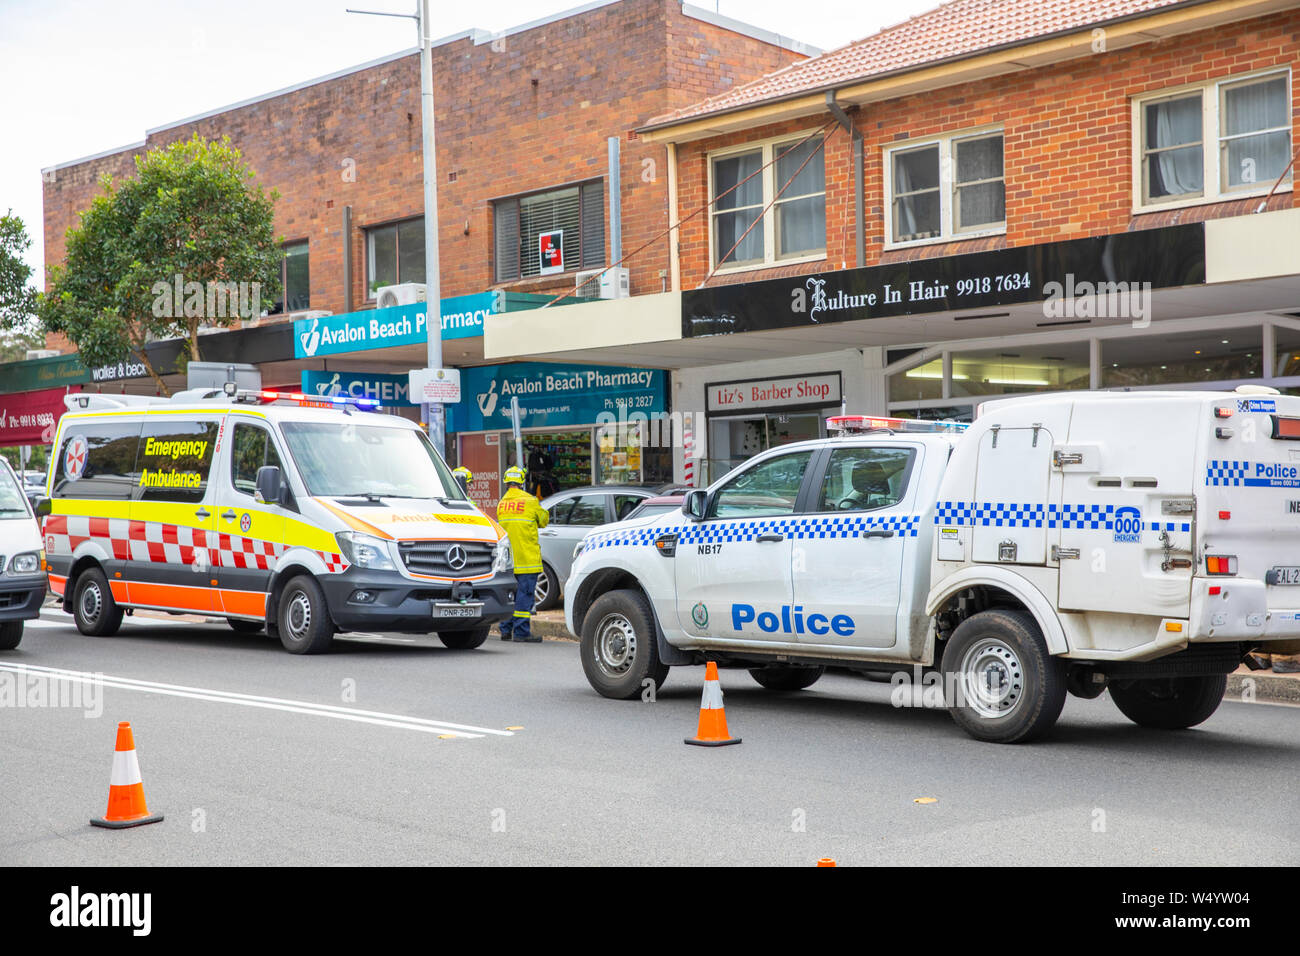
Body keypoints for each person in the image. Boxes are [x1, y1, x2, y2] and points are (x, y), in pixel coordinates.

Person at [496, 465, 548, 643]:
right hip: (527, 559)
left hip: (509, 561)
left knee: (510, 595)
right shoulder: (530, 501)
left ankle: (505, 630)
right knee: (524, 596)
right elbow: (543, 520)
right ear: (522, 482)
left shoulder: (502, 504)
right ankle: (521, 632)